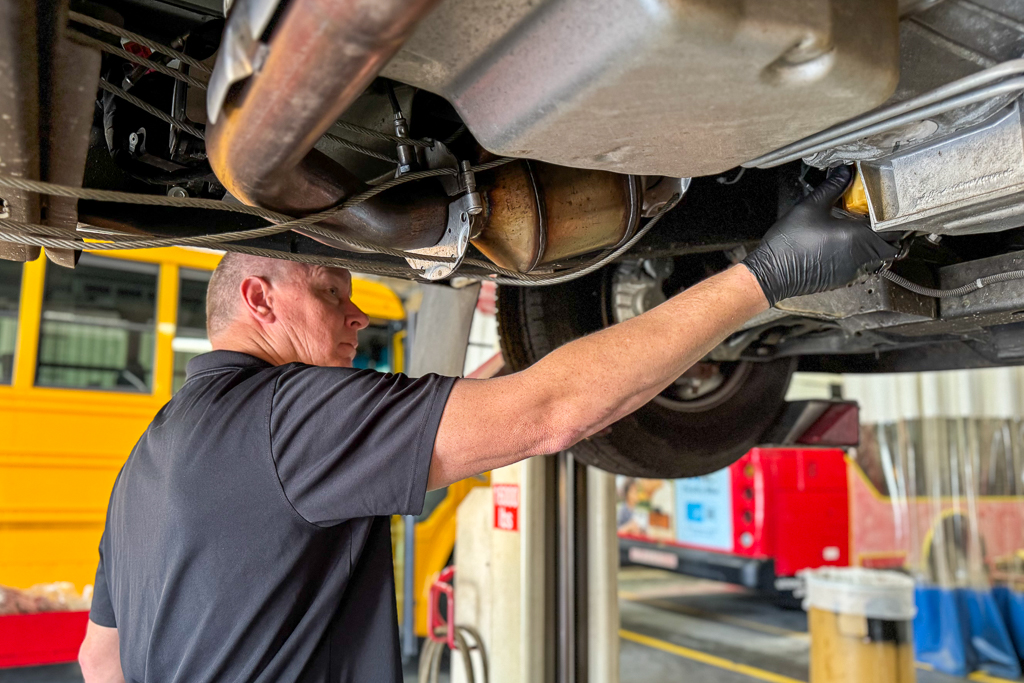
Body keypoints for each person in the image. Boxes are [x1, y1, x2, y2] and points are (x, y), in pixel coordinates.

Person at [77, 167, 896, 682]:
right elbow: (548, 416)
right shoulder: (283, 419)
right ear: (259, 301)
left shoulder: (151, 459)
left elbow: (100, 661)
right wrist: (767, 279)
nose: (358, 313)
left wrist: (530, 339)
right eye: (333, 288)